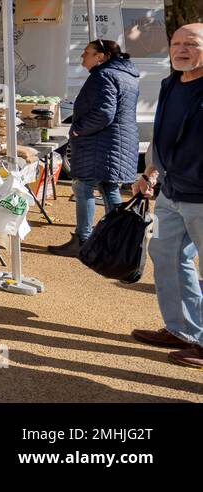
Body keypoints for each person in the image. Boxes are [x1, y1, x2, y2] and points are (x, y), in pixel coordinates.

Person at [132, 23, 203, 370]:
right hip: (171, 195)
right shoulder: (170, 84)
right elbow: (161, 134)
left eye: (192, 43)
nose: (181, 50)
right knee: (166, 258)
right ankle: (183, 329)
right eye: (176, 43)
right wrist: (149, 172)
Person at [48, 39, 140, 256]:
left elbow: (104, 113)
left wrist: (78, 129)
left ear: (101, 56)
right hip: (116, 141)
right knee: (109, 188)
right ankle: (115, 240)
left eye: (86, 53)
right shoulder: (127, 75)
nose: (82, 57)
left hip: (101, 142)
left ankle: (83, 240)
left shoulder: (103, 75)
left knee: (83, 187)